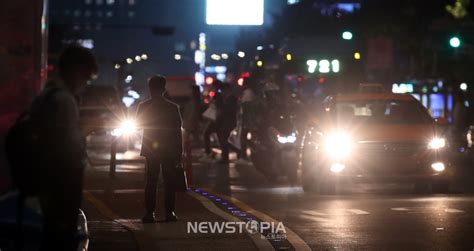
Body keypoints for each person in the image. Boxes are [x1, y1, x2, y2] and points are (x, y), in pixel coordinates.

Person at [33, 45, 97, 250]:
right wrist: (87, 129)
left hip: (45, 181)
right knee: (61, 239)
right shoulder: (63, 100)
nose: (85, 83)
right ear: (75, 71)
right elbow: (67, 145)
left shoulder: (46, 94)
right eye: (86, 77)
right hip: (61, 184)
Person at [137, 75, 183, 223]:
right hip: (169, 149)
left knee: (151, 181)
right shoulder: (172, 107)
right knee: (169, 182)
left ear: (150, 89)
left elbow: (138, 125)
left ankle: (149, 213)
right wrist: (179, 152)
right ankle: (169, 213)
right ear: (164, 89)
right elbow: (177, 131)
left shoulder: (143, 106)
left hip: (151, 149)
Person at [215, 84, 238, 164]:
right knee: (225, 140)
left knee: (224, 139)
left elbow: (228, 110)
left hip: (229, 122)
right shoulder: (227, 98)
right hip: (226, 122)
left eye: (223, 90)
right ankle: (227, 157)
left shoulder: (231, 98)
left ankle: (226, 158)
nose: (222, 92)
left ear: (227, 89)